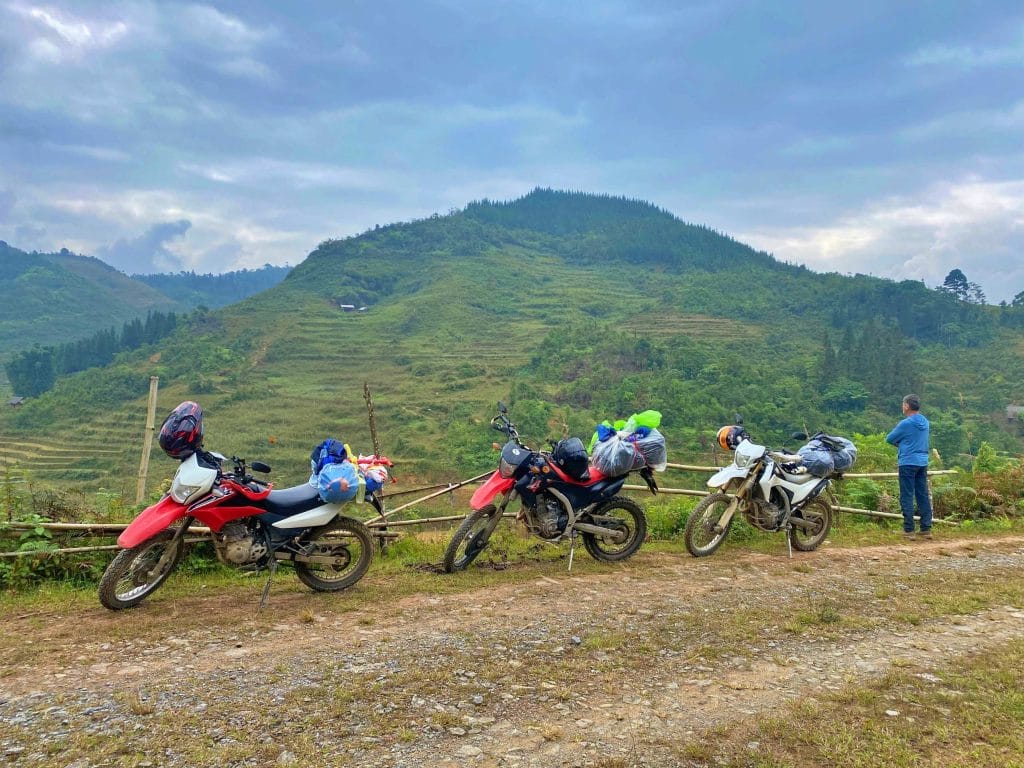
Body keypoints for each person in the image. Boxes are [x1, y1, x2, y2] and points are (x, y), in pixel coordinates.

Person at [886, 394, 933, 539]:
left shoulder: (905, 423)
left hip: (907, 462)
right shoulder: (925, 422)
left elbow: (889, 439)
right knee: (922, 494)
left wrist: (902, 445)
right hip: (922, 462)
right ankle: (926, 528)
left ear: (906, 406)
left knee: (907, 495)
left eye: (903, 404)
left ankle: (909, 530)